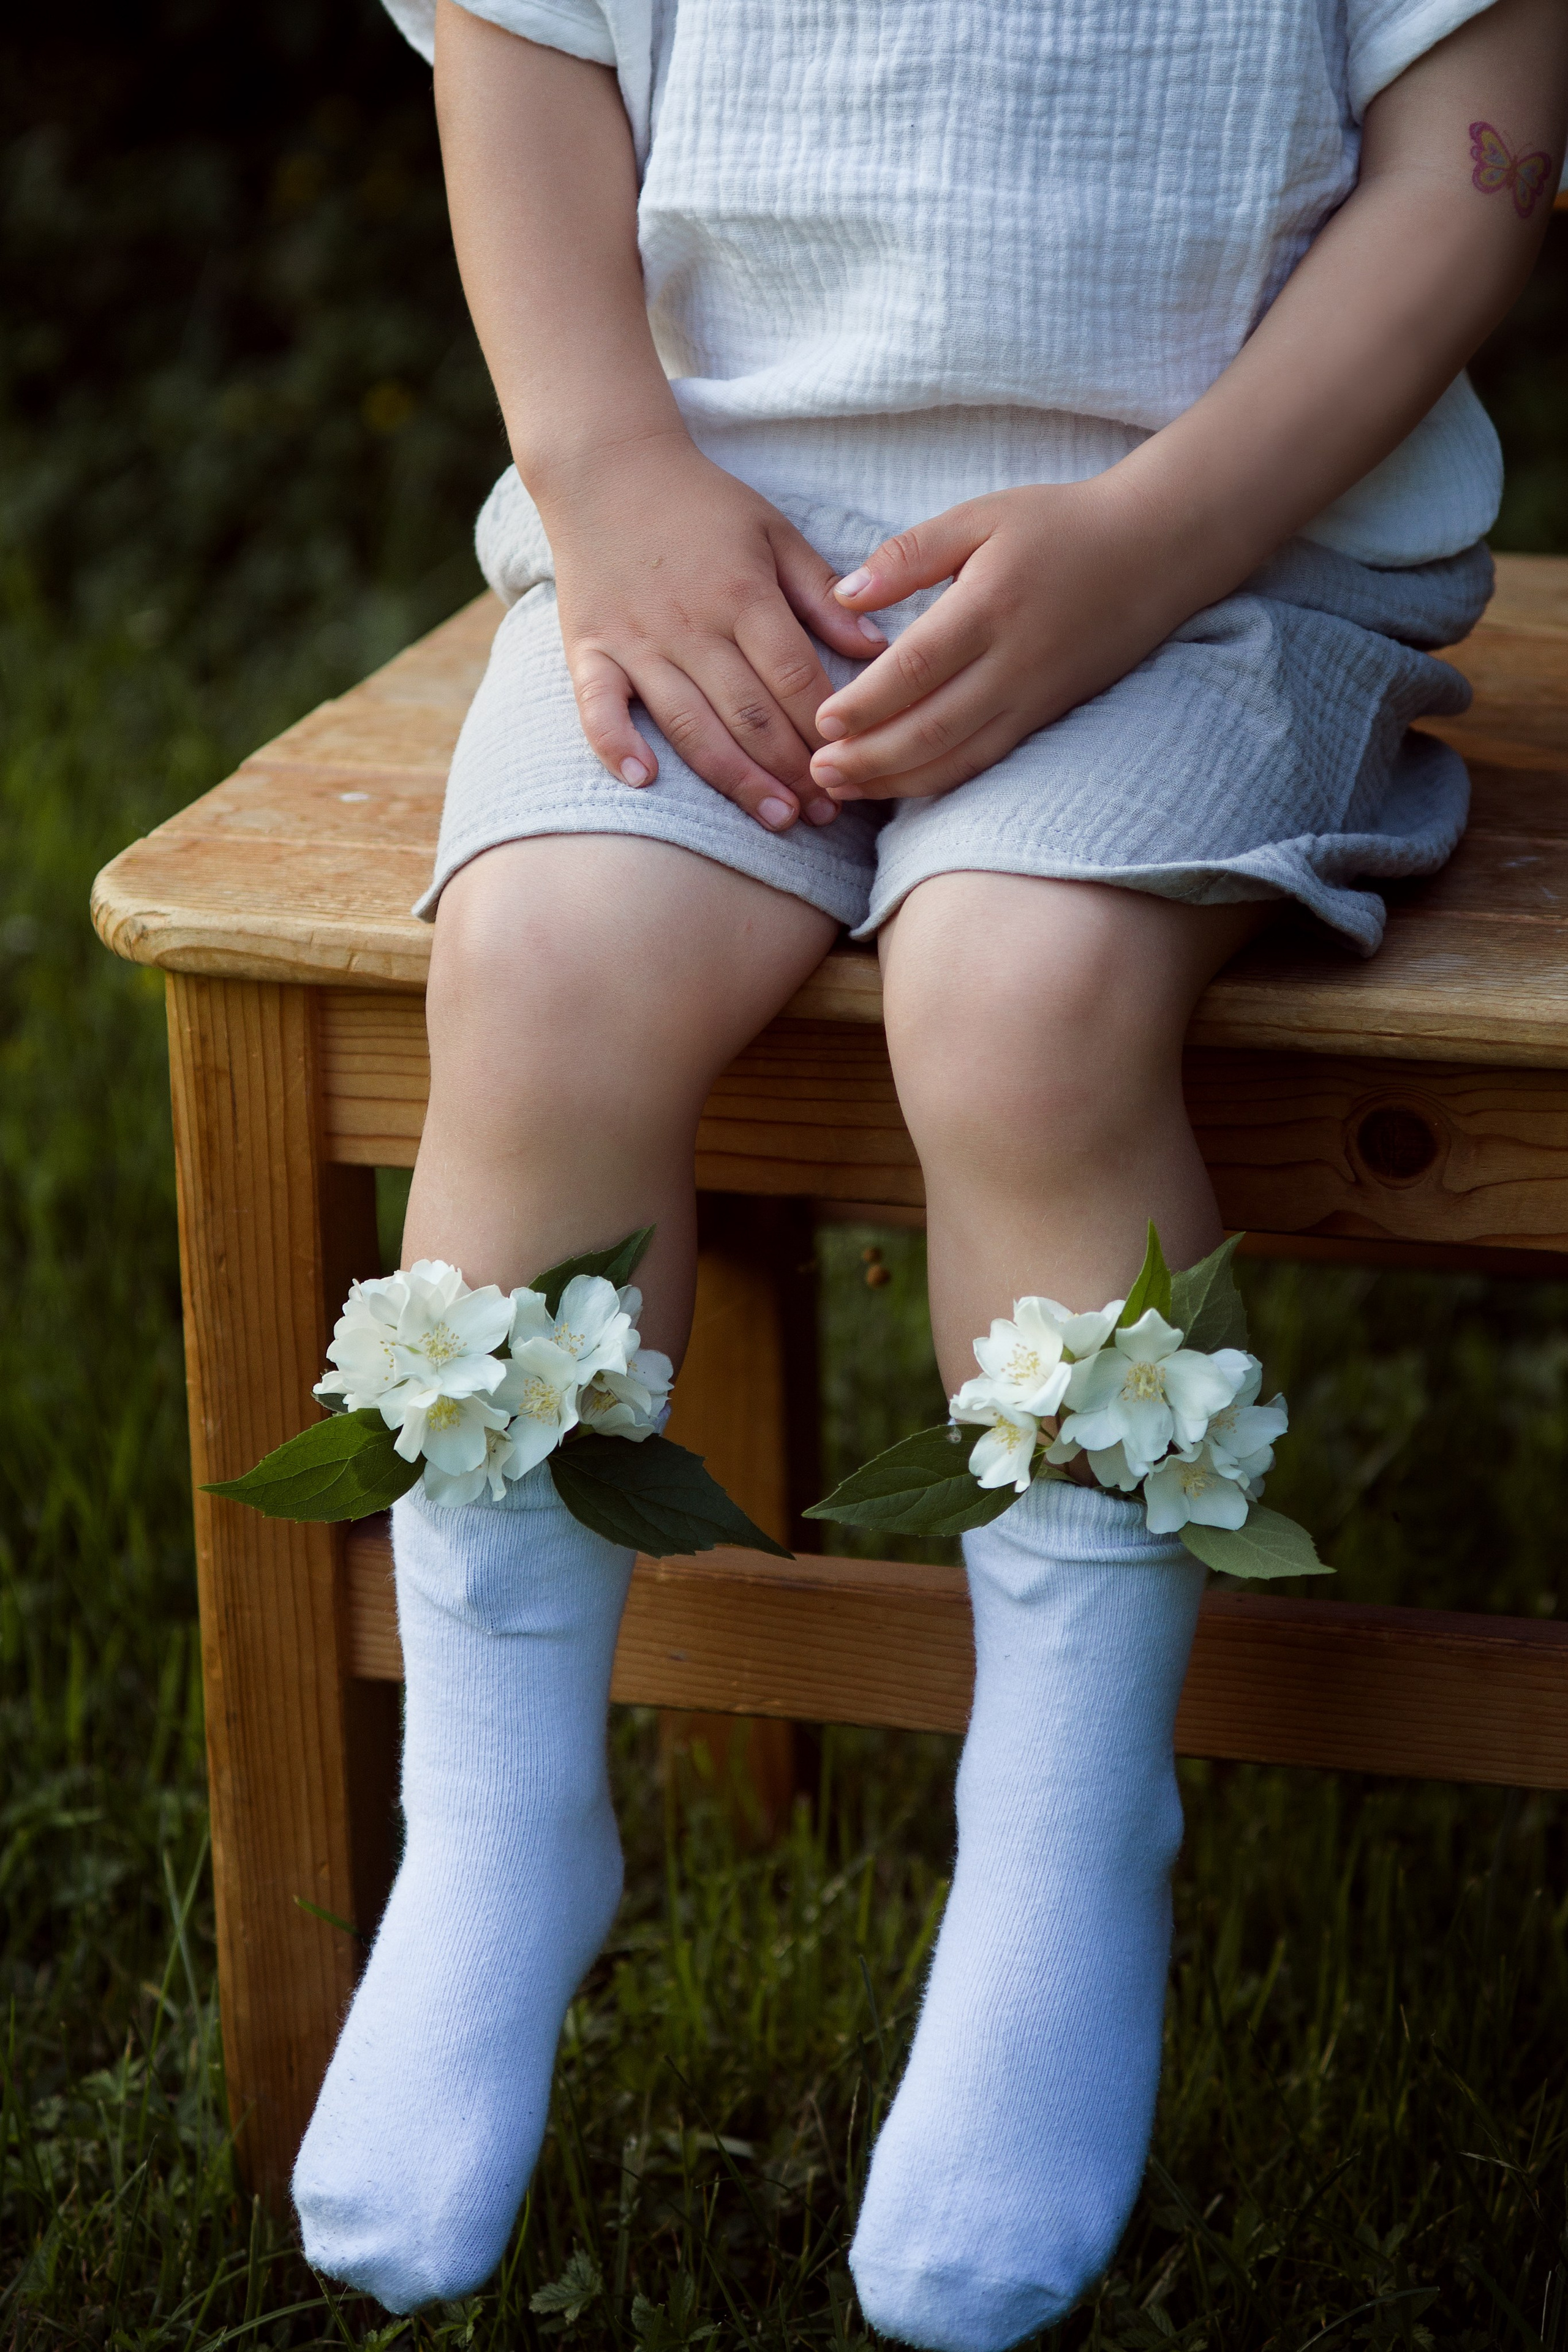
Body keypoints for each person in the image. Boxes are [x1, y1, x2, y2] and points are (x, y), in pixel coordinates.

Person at [290, 0, 1568, 2334]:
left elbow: (1478, 153)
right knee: (552, 973)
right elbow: (519, 55)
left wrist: (1153, 546)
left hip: (1214, 559)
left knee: (1020, 1005)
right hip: (707, 542)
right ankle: (491, 1831)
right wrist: (608, 472)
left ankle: (1063, 1853)